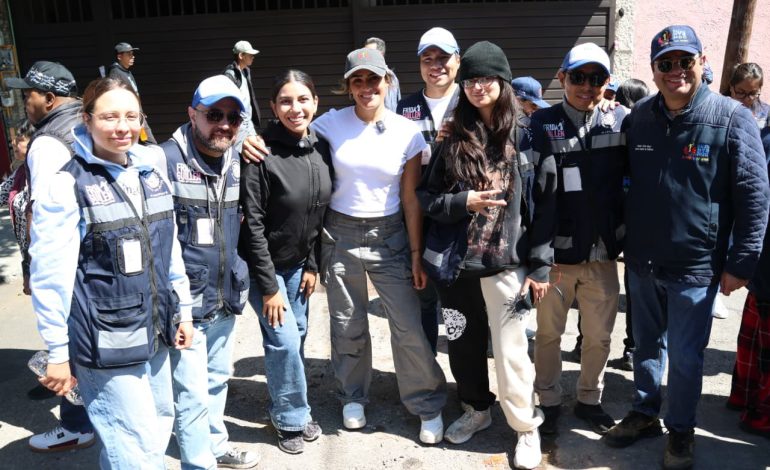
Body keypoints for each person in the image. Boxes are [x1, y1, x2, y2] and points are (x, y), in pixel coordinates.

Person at [605, 25, 770, 470]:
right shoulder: (640, 116)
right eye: (666, 63)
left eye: (685, 61)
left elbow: (755, 195)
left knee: (685, 356)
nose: (675, 70)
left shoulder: (731, 118)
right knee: (645, 346)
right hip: (642, 260)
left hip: (696, 265)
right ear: (653, 70)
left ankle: (680, 430)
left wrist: (742, 263)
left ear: (702, 63)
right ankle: (644, 412)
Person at [28, 76, 195, 468]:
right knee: (134, 450)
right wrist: (57, 351)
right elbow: (50, 275)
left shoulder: (150, 175)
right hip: (104, 343)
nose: (122, 127)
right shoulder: (66, 184)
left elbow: (170, 252)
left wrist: (183, 309)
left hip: (155, 331)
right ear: (86, 120)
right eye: (109, 117)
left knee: (155, 431)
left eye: (131, 116)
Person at [417, 40, 556, 469]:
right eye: (470, 80)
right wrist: (464, 203)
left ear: (503, 81)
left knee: (511, 352)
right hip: (458, 267)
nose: (478, 87)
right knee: (463, 346)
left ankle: (525, 426)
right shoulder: (453, 137)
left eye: (486, 79)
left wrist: (540, 265)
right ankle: (476, 409)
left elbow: (547, 204)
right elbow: (427, 198)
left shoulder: (528, 135)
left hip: (506, 266)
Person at [312, 47, 447, 444]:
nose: (366, 87)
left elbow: (410, 199)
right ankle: (353, 396)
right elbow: (289, 132)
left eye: (373, 79)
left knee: (407, 326)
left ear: (387, 81)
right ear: (348, 87)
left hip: (390, 237)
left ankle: (426, 402)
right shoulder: (329, 123)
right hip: (340, 234)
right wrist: (251, 138)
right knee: (347, 323)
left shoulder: (407, 132)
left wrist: (416, 254)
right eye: (358, 80)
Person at [161, 75, 259, 469]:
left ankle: (215, 447)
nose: (224, 124)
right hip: (186, 304)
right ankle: (198, 462)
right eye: (214, 114)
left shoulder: (237, 159)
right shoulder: (165, 161)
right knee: (192, 394)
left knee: (217, 380)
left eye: (233, 118)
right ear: (192, 114)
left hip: (224, 296)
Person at [530, 42, 628, 437]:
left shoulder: (621, 120)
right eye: (578, 77)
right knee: (548, 335)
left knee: (599, 337)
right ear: (562, 77)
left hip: (603, 253)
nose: (587, 86)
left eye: (597, 78)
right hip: (557, 255)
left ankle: (590, 399)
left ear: (608, 81)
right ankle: (548, 401)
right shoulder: (541, 123)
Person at [4, 60, 96, 453]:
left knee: (68, 343)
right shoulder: (89, 123)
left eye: (29, 94)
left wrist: (31, 267)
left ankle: (77, 425)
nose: (24, 101)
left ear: (49, 98)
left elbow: (40, 218)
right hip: (98, 257)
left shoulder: (47, 143)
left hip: (68, 261)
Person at [240, 69, 331, 454]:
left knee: (297, 336)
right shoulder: (261, 153)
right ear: (274, 107)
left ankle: (288, 401)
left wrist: (313, 264)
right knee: (285, 340)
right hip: (264, 268)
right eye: (286, 101)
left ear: (315, 103)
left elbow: (317, 213)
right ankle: (291, 417)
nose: (296, 108)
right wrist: (269, 287)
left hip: (299, 265)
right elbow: (253, 224)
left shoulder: (320, 147)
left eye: (303, 99)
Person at [396, 26, 462, 354]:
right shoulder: (404, 108)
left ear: (458, 61)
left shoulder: (472, 100)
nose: (436, 65)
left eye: (443, 57)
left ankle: (464, 370)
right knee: (423, 295)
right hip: (417, 215)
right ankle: (427, 370)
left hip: (460, 215)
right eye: (427, 59)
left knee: (458, 301)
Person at [726, 62, 770, 438]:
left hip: (763, 234)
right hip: (755, 236)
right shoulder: (725, 116)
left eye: (754, 93)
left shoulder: (766, 120)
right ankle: (750, 401)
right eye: (742, 92)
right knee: (759, 321)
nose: (748, 99)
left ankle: (754, 401)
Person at [611, 78, 650, 372]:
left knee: (636, 292)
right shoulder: (639, 123)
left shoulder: (622, 122)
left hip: (627, 223)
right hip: (638, 226)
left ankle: (633, 349)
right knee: (639, 294)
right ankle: (635, 350)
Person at [0, 120, 34, 293]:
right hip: (28, 254)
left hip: (44, 254)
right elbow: (1, 193)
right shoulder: (20, 172)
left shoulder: (41, 172)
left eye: (19, 139)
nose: (13, 143)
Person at [107, 42, 156, 144]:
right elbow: (116, 98)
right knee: (150, 144)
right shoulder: (115, 73)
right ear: (119, 57)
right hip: (131, 117)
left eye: (132, 54)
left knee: (145, 143)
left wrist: (140, 111)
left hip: (137, 114)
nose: (132, 57)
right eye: (129, 54)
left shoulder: (126, 72)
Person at [223, 40, 262, 152]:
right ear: (241, 56)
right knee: (240, 155)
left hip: (248, 124)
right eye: (250, 55)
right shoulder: (231, 74)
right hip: (239, 125)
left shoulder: (245, 72)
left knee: (256, 152)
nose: (253, 57)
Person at [364, 37, 401, 112]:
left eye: (369, 52)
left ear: (381, 54)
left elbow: (390, 106)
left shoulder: (387, 76)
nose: (365, 55)